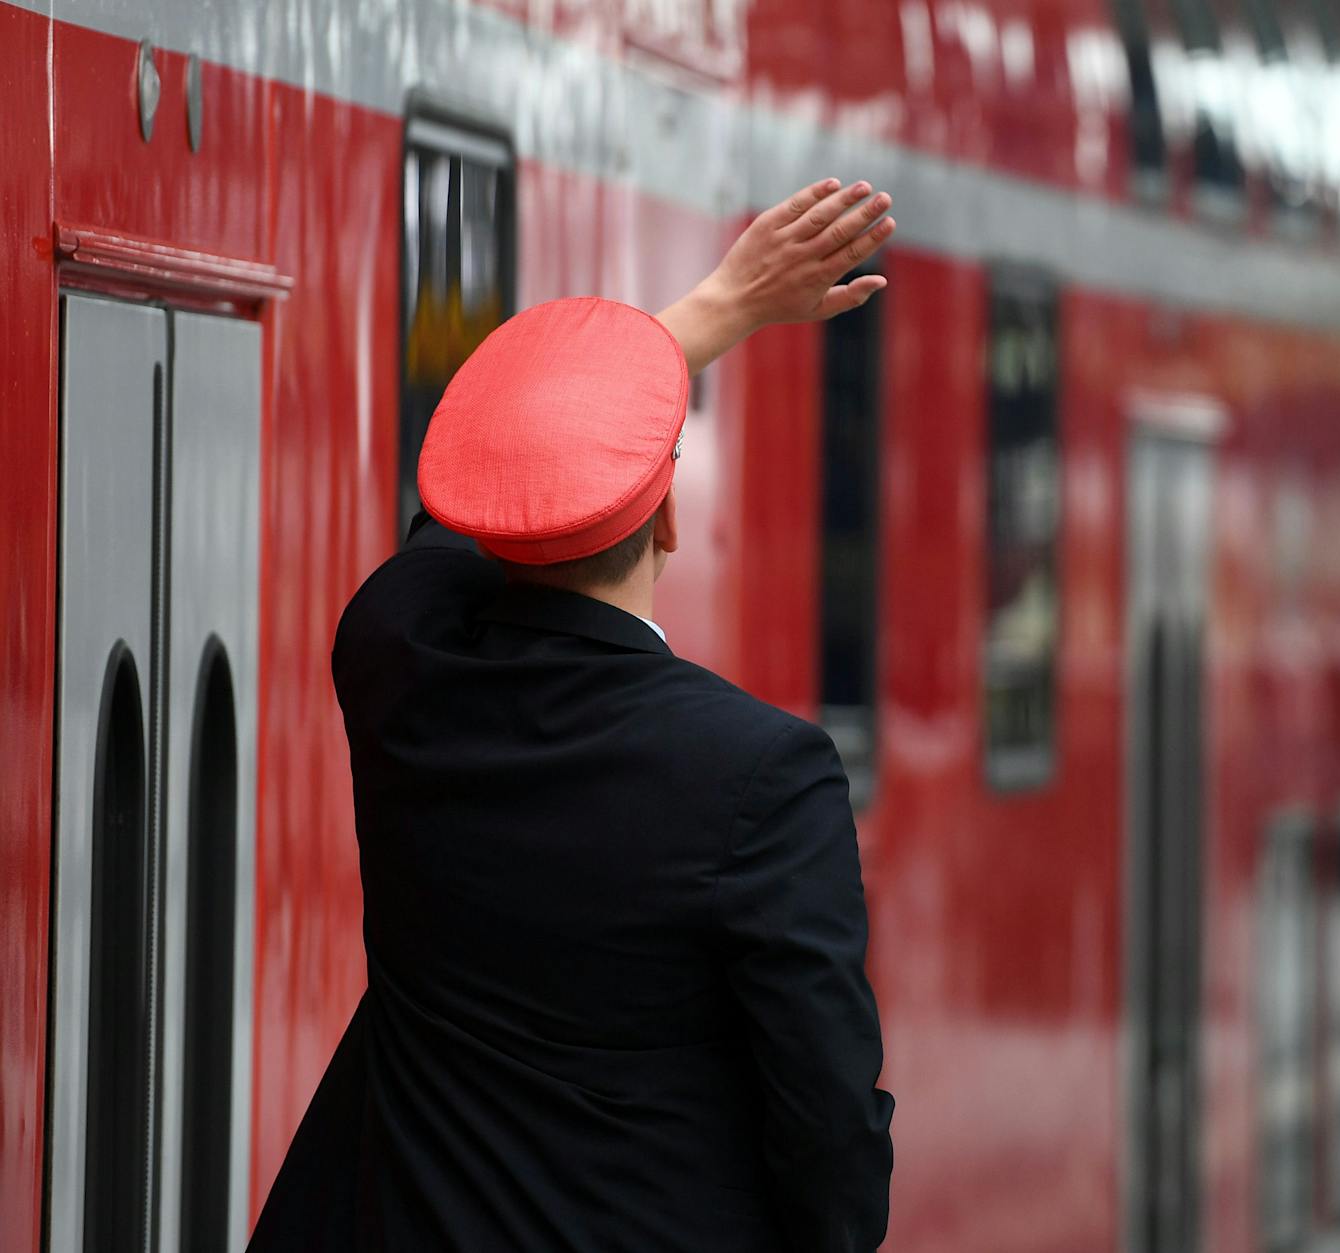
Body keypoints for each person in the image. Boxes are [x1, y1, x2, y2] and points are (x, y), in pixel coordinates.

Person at [247, 179, 898, 1253]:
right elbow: (830, 1140)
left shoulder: (400, 665)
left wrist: (712, 309)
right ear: (673, 515)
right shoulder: (761, 775)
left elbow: (457, 524)